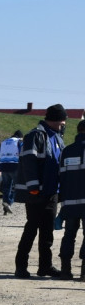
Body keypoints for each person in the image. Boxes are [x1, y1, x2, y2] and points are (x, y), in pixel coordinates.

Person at [14, 104, 67, 279]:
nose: (64, 123)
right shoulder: (35, 135)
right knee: (31, 229)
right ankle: (21, 266)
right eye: (62, 120)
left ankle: (45, 266)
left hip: (52, 193)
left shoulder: (57, 137)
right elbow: (29, 162)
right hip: (37, 193)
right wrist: (33, 187)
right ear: (53, 119)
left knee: (47, 231)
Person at [57, 120, 85, 280]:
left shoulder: (66, 151)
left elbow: (61, 177)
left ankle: (65, 270)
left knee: (69, 235)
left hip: (69, 202)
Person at [0, 130, 23, 215]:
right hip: (14, 166)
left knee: (6, 187)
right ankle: (9, 202)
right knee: (17, 187)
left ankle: (5, 206)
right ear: (20, 137)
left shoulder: (3, 142)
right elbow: (21, 153)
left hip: (3, 166)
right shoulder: (19, 142)